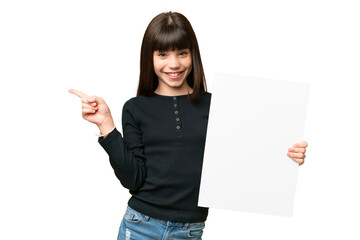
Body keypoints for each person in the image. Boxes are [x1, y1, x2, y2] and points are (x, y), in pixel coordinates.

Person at [69, 11, 308, 240]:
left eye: (182, 53)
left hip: (190, 231)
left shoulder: (218, 106)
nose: (173, 64)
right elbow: (132, 179)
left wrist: (286, 156)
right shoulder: (135, 108)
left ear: (193, 54)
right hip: (140, 226)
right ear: (149, 58)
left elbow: (246, 157)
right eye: (162, 54)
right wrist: (106, 125)